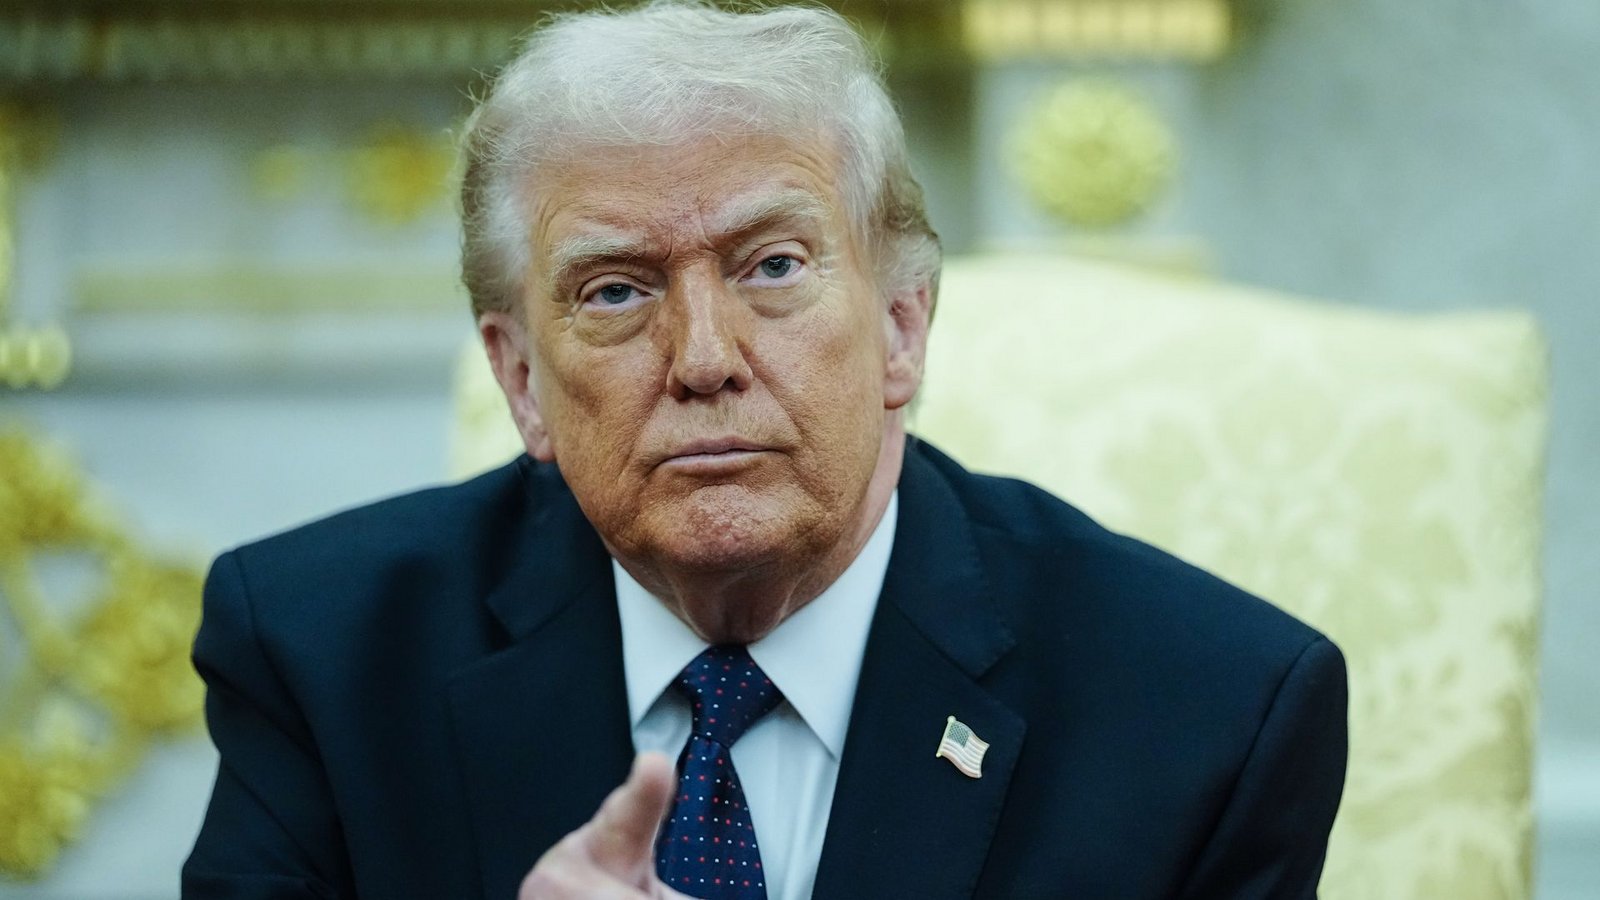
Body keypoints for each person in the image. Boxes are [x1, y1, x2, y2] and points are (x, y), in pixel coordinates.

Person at [183, 3, 1348, 899]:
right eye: (616, 289)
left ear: (902, 327)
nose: (702, 357)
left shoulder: (1206, 713)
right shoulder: (319, 657)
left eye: (773, 267)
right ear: (521, 380)